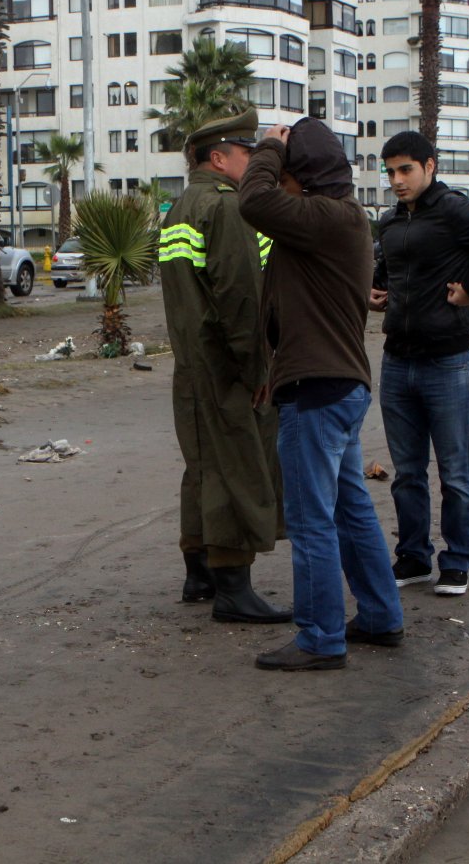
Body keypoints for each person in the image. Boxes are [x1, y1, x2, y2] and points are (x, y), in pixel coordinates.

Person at [239, 118, 404, 671]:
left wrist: (267, 148)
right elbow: (286, 302)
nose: (279, 184)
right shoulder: (338, 219)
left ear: (301, 177)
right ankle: (380, 616)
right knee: (350, 508)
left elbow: (254, 203)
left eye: (286, 174)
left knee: (312, 520)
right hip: (335, 385)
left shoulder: (325, 216)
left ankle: (319, 637)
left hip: (318, 392)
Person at [370, 131, 469, 596]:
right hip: (397, 361)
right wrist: (378, 293)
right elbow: (389, 270)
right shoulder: (390, 221)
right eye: (391, 172)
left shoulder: (453, 210)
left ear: (430, 167)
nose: (397, 181)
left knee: (456, 472)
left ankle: (456, 562)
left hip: (448, 363)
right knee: (407, 473)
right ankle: (413, 558)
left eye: (406, 170)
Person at [158, 108, 288, 625]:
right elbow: (239, 298)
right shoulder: (228, 209)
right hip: (229, 365)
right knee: (237, 466)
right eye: (246, 152)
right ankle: (234, 585)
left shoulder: (180, 207)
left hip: (192, 365)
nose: (252, 160)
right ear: (219, 158)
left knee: (203, 466)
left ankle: (199, 571)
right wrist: (257, 369)